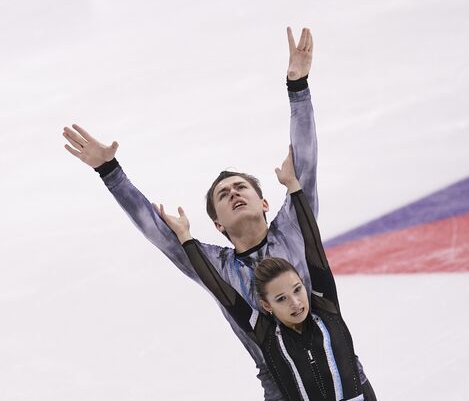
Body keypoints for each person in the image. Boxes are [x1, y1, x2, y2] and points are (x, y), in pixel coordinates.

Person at [62, 27, 368, 400]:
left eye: (242, 187)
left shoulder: (292, 230)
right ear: (217, 223)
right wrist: (111, 173)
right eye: (224, 195)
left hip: (348, 379)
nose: (235, 192)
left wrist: (298, 87)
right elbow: (156, 230)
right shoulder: (214, 266)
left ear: (265, 202)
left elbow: (304, 165)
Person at [160, 147, 377, 400]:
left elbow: (314, 245)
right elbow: (221, 290)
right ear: (266, 306)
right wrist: (186, 239)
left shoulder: (326, 308)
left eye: (297, 290)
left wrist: (295, 185)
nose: (295, 302)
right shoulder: (266, 336)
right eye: (282, 298)